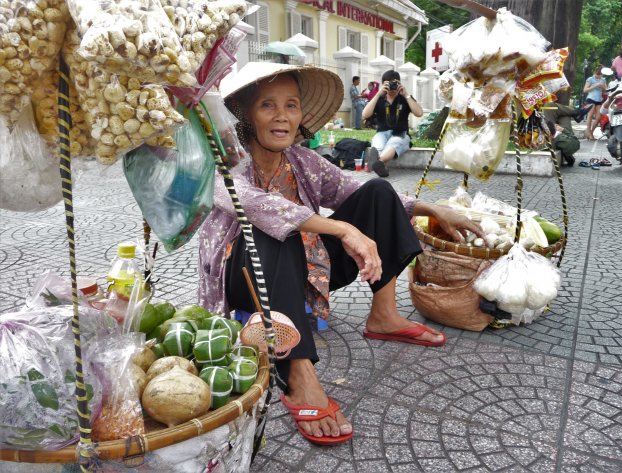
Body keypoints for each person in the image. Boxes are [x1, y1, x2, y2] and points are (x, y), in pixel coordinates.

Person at [199, 62, 483, 445]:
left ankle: (384, 315)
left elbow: (352, 188)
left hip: (304, 268)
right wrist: (342, 228)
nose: (282, 116)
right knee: (271, 231)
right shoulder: (226, 160)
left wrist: (433, 208)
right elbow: (254, 205)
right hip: (245, 274)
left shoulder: (303, 160)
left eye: (291, 105)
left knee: (378, 194)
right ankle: (298, 374)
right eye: (268, 105)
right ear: (246, 114)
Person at [362, 70, 423, 177]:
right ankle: (381, 165)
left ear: (399, 84)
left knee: (394, 143)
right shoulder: (380, 99)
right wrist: (377, 94)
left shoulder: (404, 98)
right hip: (382, 133)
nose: (392, 87)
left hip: (401, 133)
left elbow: (419, 113)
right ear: (383, 85)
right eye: (389, 84)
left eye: (395, 84)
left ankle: (379, 162)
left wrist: (407, 95)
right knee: (378, 144)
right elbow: (365, 115)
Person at [583, 64, 608, 140]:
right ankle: (589, 134)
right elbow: (585, 90)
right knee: (590, 116)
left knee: (598, 117)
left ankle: (590, 132)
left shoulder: (603, 80)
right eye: (598, 74)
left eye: (600, 75)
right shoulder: (590, 79)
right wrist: (595, 85)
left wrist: (602, 87)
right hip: (591, 98)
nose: (599, 76)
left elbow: (606, 91)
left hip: (599, 100)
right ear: (595, 72)